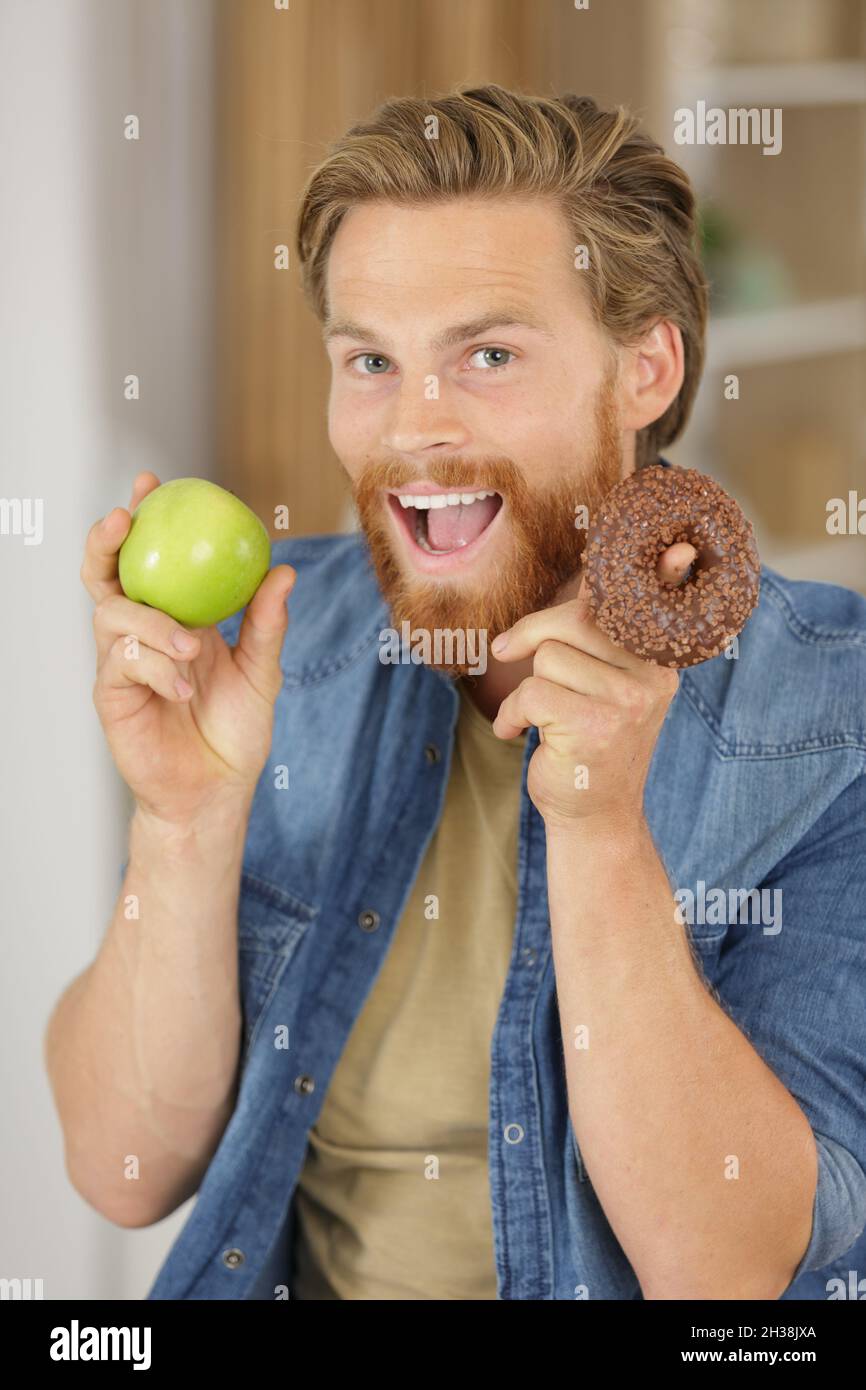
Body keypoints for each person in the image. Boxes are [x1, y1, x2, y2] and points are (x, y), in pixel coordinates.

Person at [46, 85, 866, 1301]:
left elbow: (723, 1271)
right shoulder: (265, 651)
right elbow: (121, 1170)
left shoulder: (827, 713)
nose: (415, 426)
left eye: (487, 354)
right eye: (370, 359)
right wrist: (182, 824)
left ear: (643, 369)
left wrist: (598, 832)